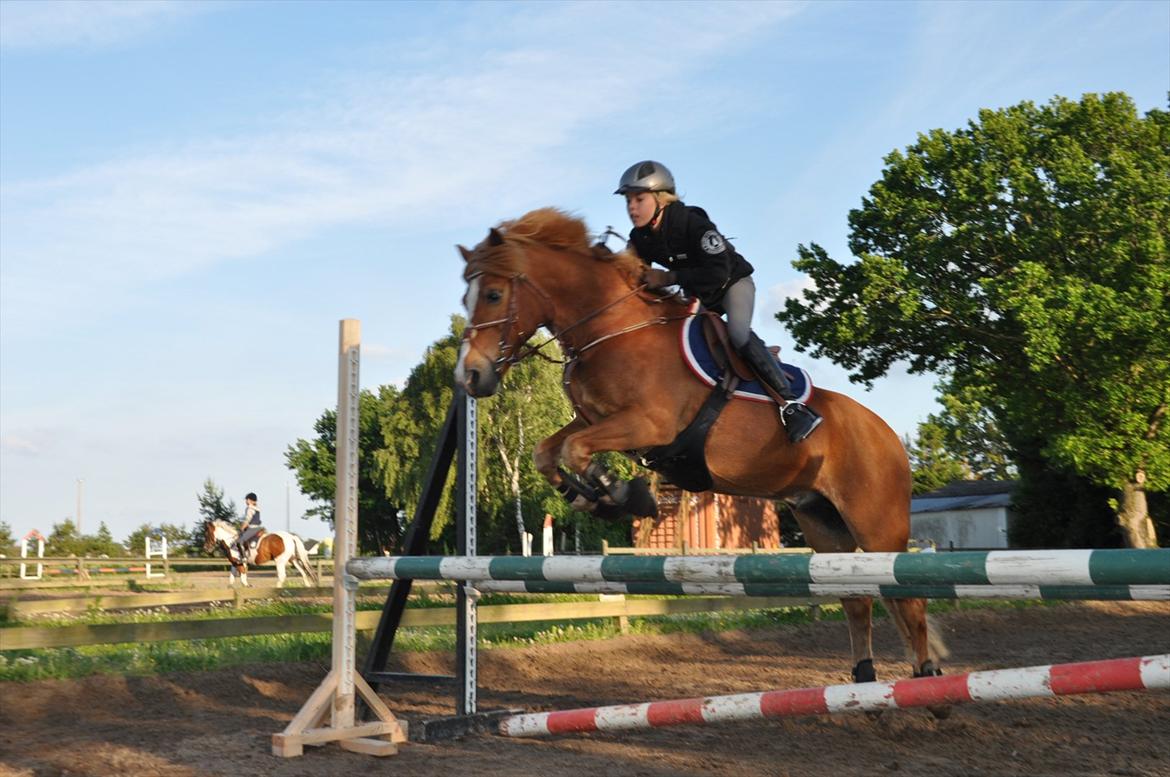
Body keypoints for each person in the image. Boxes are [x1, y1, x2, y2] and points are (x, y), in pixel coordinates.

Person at [615, 160, 822, 443]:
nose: (631, 207)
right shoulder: (640, 237)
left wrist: (668, 277)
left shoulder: (692, 221)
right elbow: (632, 276)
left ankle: (792, 407)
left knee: (737, 335)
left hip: (731, 284)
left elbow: (717, 272)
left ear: (661, 198)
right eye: (628, 200)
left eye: (639, 199)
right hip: (698, 294)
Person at [235, 492, 263, 562]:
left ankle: (243, 557)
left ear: (250, 500)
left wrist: (241, 528)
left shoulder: (250, 508)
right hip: (258, 528)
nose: (246, 501)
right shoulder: (257, 508)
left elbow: (247, 520)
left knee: (239, 541)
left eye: (246, 499)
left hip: (252, 528)